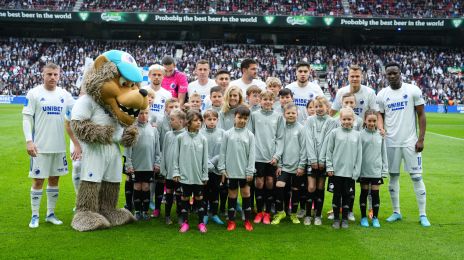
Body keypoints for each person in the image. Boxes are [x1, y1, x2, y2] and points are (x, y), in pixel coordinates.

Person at [376, 62, 430, 227]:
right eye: (389, 74)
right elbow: (380, 116)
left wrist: (421, 139)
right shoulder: (382, 94)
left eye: (395, 73)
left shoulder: (413, 90)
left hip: (410, 142)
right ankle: (396, 212)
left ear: (400, 73)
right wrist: (380, 128)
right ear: (386, 76)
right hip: (391, 142)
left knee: (416, 176)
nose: (392, 76)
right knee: (393, 176)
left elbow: (421, 115)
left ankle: (423, 215)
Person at [22, 63, 75, 228]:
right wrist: (29, 141)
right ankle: (35, 215)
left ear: (59, 76)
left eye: (55, 74)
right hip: (40, 148)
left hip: (59, 147)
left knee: (54, 180)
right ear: (43, 75)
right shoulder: (34, 93)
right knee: (38, 181)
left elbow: (77, 113)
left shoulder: (64, 94)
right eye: (49, 74)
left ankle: (50, 214)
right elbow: (26, 118)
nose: (52, 77)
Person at [249, 91, 285, 225]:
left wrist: (277, 155)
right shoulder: (254, 115)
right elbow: (250, 135)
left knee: (270, 182)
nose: (267, 102)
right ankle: (259, 212)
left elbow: (281, 138)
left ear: (273, 101)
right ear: (260, 100)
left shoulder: (278, 116)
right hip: (257, 156)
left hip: (272, 157)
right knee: (259, 183)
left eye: (270, 99)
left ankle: (267, 213)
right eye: (264, 99)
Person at [218, 105, 255, 231]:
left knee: (246, 194)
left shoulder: (250, 135)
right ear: (235, 117)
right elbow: (222, 152)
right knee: (232, 195)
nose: (242, 120)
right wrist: (222, 168)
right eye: (240, 117)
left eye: (245, 118)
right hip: (231, 172)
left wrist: (250, 171)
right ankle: (231, 221)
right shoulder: (227, 134)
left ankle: (247, 221)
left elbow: (252, 155)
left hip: (245, 172)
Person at [172, 110, 209, 233]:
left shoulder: (203, 139)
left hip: (198, 176)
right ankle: (185, 223)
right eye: (195, 120)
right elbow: (175, 157)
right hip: (184, 176)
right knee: (184, 198)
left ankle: (201, 223)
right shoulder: (180, 138)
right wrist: (176, 172)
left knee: (199, 198)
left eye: (200, 120)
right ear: (188, 122)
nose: (198, 122)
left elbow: (205, 159)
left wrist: (205, 175)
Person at [326, 107, 362, 229]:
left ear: (354, 120)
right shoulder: (334, 133)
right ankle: (336, 219)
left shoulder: (357, 135)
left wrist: (356, 172)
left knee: (347, 196)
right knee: (336, 195)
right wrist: (329, 167)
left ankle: (345, 219)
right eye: (344, 119)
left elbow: (359, 155)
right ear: (340, 119)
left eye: (349, 119)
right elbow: (329, 151)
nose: (347, 121)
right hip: (336, 172)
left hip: (350, 173)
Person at [271, 103, 307, 225]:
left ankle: (293, 214)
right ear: (284, 114)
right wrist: (279, 165)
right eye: (288, 113)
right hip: (284, 166)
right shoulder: (281, 128)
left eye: (293, 113)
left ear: (297, 114)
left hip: (297, 166)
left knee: (296, 189)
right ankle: (281, 212)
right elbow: (278, 146)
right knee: (279, 185)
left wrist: (301, 165)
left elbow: (303, 149)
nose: (291, 115)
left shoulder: (301, 128)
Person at [304, 96, 336, 226]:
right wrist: (312, 159)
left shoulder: (331, 122)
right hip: (311, 160)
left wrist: (322, 159)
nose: (318, 109)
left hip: (323, 161)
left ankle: (317, 215)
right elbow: (309, 140)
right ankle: (307, 215)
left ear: (327, 107)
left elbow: (328, 142)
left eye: (321, 106)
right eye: (316, 106)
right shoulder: (310, 120)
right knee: (311, 187)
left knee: (320, 187)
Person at [124, 108, 161, 221]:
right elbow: (127, 149)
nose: (144, 116)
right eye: (141, 113)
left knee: (145, 187)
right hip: (136, 164)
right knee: (137, 186)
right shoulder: (132, 129)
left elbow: (157, 148)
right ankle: (137, 211)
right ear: (136, 114)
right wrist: (129, 164)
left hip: (148, 164)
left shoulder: (153, 130)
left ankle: (145, 211)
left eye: (146, 113)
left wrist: (157, 162)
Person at [330, 64, 383, 134]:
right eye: (352, 76)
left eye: (357, 76)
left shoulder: (370, 92)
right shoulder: (341, 92)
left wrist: (381, 129)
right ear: (348, 77)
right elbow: (332, 112)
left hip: (362, 132)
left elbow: (377, 114)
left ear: (362, 77)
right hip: (344, 131)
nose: (354, 79)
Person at [359, 109, 388, 228]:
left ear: (377, 121)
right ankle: (363, 217)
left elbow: (384, 153)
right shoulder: (360, 134)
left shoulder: (380, 135)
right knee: (364, 193)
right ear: (365, 121)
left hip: (376, 170)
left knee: (375, 194)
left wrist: (384, 169)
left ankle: (375, 218)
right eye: (369, 120)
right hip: (364, 170)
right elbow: (358, 154)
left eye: (374, 121)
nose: (371, 123)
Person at [160, 109, 186, 225]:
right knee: (169, 192)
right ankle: (167, 216)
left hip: (181, 172)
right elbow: (164, 152)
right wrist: (163, 168)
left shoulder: (185, 135)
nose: (170, 122)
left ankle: (180, 216)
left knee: (180, 193)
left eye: (172, 119)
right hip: (169, 170)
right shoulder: (168, 135)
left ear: (181, 121)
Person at [200, 109, 226, 225]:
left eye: (214, 119)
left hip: (216, 169)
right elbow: (199, 151)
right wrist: (207, 163)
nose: (212, 122)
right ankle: (204, 214)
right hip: (204, 169)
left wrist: (213, 162)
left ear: (217, 120)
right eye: (209, 119)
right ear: (204, 120)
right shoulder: (200, 133)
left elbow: (224, 151)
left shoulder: (222, 133)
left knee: (216, 191)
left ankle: (214, 214)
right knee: (205, 192)